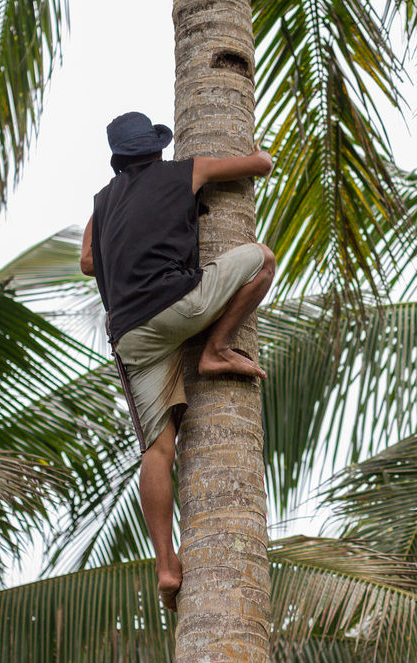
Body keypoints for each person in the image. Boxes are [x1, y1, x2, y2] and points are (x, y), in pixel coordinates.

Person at [79, 111, 277, 611]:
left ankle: (167, 565)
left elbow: (87, 262)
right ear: (155, 149)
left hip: (132, 336)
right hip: (180, 307)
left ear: (119, 159)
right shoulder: (183, 171)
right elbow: (260, 163)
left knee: (157, 451)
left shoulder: (103, 202)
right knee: (261, 258)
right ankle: (216, 349)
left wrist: (109, 214)